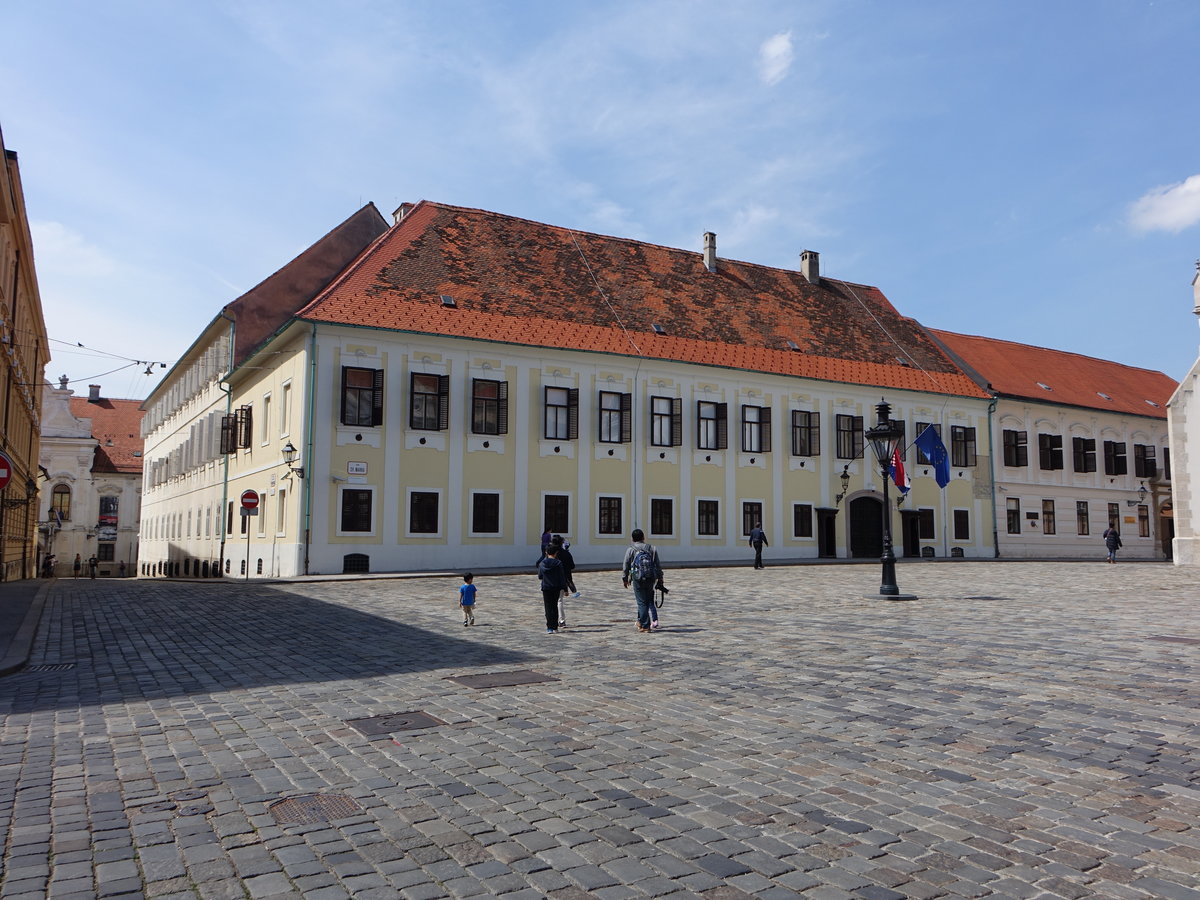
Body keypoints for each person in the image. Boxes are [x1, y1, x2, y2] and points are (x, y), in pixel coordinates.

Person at [622, 529, 663, 633]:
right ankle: (641, 622)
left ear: (632, 539)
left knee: (641, 602)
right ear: (643, 537)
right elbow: (657, 564)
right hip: (650, 578)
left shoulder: (631, 549)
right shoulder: (652, 548)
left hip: (637, 578)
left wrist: (625, 578)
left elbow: (626, 565)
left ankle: (645, 625)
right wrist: (660, 578)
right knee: (647, 600)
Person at [537, 545, 568, 634]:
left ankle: (549, 627)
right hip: (556, 587)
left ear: (546, 552)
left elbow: (540, 576)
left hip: (546, 587)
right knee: (554, 607)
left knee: (548, 607)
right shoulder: (558, 563)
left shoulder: (542, 563)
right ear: (556, 553)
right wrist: (565, 589)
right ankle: (555, 627)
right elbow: (562, 577)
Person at [550, 535, 576, 628]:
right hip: (563, 579)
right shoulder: (566, 553)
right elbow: (572, 566)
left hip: (551, 580)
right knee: (559, 601)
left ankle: (551, 621)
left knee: (551, 601)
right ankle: (561, 620)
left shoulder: (550, 554)